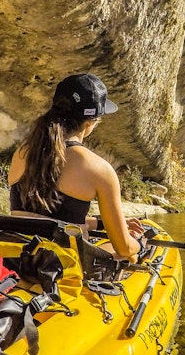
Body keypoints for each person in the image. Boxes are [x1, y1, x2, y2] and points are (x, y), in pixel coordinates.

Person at [8, 73, 145, 261]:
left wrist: (102, 223)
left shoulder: (22, 153)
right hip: (62, 266)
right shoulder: (99, 169)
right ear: (89, 123)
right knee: (132, 256)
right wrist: (140, 241)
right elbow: (123, 248)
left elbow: (42, 220)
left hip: (17, 255)